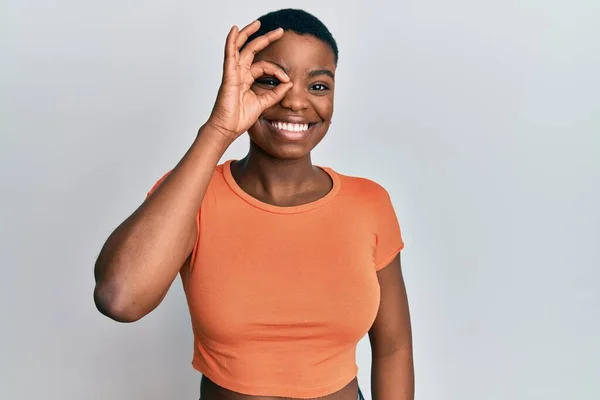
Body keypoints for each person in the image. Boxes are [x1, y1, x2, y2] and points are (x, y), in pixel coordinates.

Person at [93, 8, 414, 400]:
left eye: (318, 86)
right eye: (271, 81)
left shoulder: (369, 203)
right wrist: (219, 129)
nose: (295, 102)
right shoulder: (194, 195)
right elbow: (119, 298)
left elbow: (394, 347)